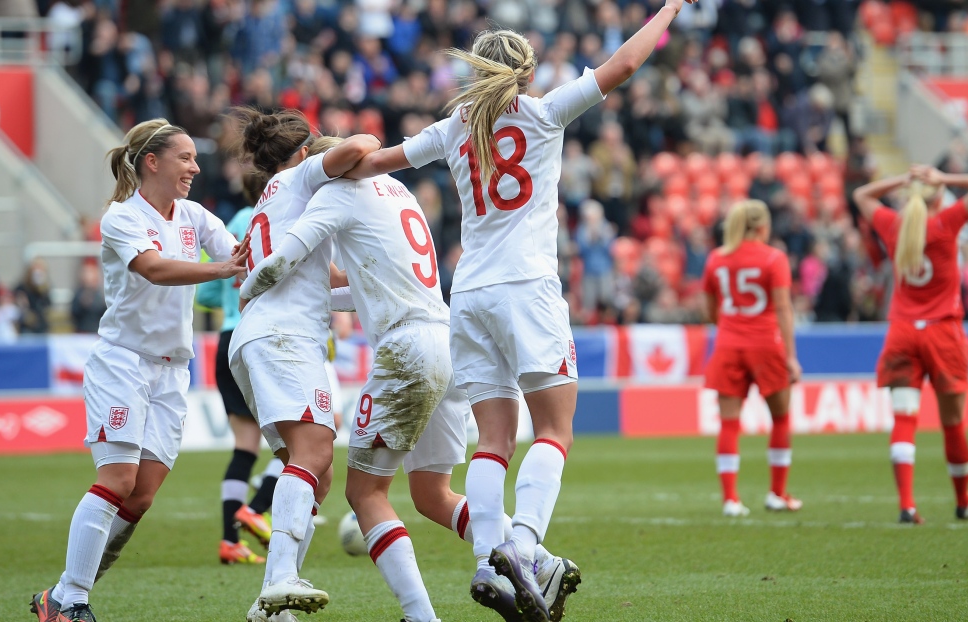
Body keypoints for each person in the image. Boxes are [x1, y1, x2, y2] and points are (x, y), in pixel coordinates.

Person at [342, 3, 692, 619]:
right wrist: (669, 6)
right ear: (526, 73)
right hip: (526, 286)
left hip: (469, 293)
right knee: (554, 428)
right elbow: (628, 62)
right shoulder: (545, 111)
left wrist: (321, 166)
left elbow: (372, 163)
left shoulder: (452, 128)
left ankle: (486, 561)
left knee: (494, 440)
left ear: (477, 73)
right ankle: (525, 546)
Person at [243, 136, 580, 622]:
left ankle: (421, 616)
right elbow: (362, 288)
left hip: (405, 350)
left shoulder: (336, 194)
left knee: (364, 494)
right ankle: (538, 561)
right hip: (446, 341)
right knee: (431, 494)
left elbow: (285, 257)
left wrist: (251, 285)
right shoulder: (399, 194)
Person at [30, 118, 250, 622]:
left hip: (173, 371)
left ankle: (60, 595)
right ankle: (75, 605)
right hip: (122, 363)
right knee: (118, 480)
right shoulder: (121, 218)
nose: (196, 167)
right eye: (186, 157)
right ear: (153, 162)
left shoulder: (195, 215)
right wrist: (223, 270)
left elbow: (242, 257)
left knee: (143, 494)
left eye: (196, 159)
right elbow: (153, 268)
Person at [227, 107, 380, 620]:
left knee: (318, 470)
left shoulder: (277, 200)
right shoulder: (300, 175)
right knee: (314, 452)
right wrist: (328, 151)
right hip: (283, 337)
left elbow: (327, 279)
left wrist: (379, 287)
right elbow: (363, 144)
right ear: (301, 151)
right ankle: (279, 581)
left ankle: (268, 607)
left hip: (263, 337)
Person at [853, 164, 968, 524]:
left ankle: (907, 505)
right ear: (938, 198)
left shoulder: (892, 225)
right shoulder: (945, 223)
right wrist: (943, 179)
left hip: (902, 331)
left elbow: (861, 195)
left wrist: (903, 179)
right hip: (943, 332)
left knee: (904, 419)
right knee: (952, 423)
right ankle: (963, 500)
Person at [195, 171, 280, 565]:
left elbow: (208, 289)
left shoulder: (231, 223)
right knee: (314, 434)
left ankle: (230, 541)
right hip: (261, 338)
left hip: (227, 339)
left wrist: (229, 304)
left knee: (245, 447)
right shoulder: (277, 214)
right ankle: (258, 509)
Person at [701, 200, 802, 518]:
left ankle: (731, 500)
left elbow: (709, 307)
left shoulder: (717, 258)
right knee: (781, 419)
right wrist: (791, 356)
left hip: (729, 344)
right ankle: (777, 493)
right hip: (766, 345)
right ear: (762, 227)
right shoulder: (774, 258)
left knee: (729, 423)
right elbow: (784, 309)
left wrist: (729, 328)